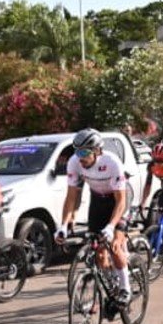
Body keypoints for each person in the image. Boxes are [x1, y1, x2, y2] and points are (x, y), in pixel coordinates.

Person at [56, 128, 132, 301]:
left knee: (114, 245)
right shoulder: (74, 162)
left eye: (84, 152)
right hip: (98, 200)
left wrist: (111, 227)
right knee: (99, 253)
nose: (80, 157)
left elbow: (121, 201)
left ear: (97, 151)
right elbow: (71, 197)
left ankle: (125, 287)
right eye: (76, 152)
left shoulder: (112, 163)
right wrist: (63, 226)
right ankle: (109, 284)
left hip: (118, 200)